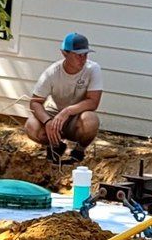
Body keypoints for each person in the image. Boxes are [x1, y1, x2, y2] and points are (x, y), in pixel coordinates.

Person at [26, 32, 103, 165]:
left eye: (85, 54)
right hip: (54, 114)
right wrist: (47, 121)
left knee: (91, 120)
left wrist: (67, 111)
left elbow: (93, 101)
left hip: (76, 117)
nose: (83, 59)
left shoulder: (93, 69)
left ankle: (79, 151)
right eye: (78, 55)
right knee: (31, 126)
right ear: (65, 53)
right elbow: (35, 102)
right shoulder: (52, 72)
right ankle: (55, 146)